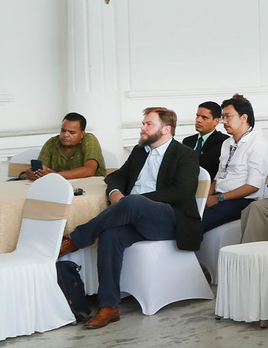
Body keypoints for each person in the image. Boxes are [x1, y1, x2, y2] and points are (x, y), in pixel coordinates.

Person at [57, 108, 201, 329]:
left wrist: (135, 201)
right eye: (143, 123)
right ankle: (109, 306)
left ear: (166, 129)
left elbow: (181, 193)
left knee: (133, 201)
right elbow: (116, 176)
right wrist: (115, 193)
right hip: (136, 216)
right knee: (110, 234)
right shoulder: (140, 151)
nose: (142, 128)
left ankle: (75, 239)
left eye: (148, 124)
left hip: (170, 220)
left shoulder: (186, 155)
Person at [202, 96, 268, 232]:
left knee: (199, 222)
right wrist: (205, 197)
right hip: (220, 196)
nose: (224, 122)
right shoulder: (227, 143)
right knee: (188, 212)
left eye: (228, 117)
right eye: (223, 117)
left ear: (243, 118)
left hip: (242, 201)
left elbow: (253, 186)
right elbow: (219, 175)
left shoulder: (258, 145)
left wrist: (218, 198)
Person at [28, 113, 104, 182]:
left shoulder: (89, 140)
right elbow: (42, 168)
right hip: (58, 188)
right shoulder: (52, 143)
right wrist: (34, 173)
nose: (65, 135)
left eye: (72, 132)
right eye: (63, 131)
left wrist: (56, 176)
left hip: (91, 187)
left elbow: (89, 170)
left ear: (82, 134)